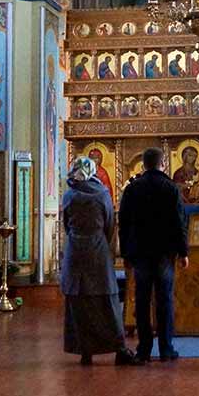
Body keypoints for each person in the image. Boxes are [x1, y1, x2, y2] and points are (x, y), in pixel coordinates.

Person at [61, 157, 141, 366]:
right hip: (97, 250)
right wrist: (102, 244)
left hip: (75, 252)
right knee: (107, 301)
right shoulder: (102, 194)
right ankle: (119, 349)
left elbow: (66, 225)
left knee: (79, 302)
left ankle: (84, 351)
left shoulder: (69, 195)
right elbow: (109, 224)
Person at [118, 148, 189, 363]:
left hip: (140, 252)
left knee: (141, 300)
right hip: (165, 252)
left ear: (144, 165)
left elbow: (124, 223)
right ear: (162, 164)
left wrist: (125, 254)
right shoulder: (171, 188)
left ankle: (143, 349)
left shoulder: (132, 189)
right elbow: (179, 223)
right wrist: (183, 251)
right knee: (165, 299)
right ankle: (166, 349)